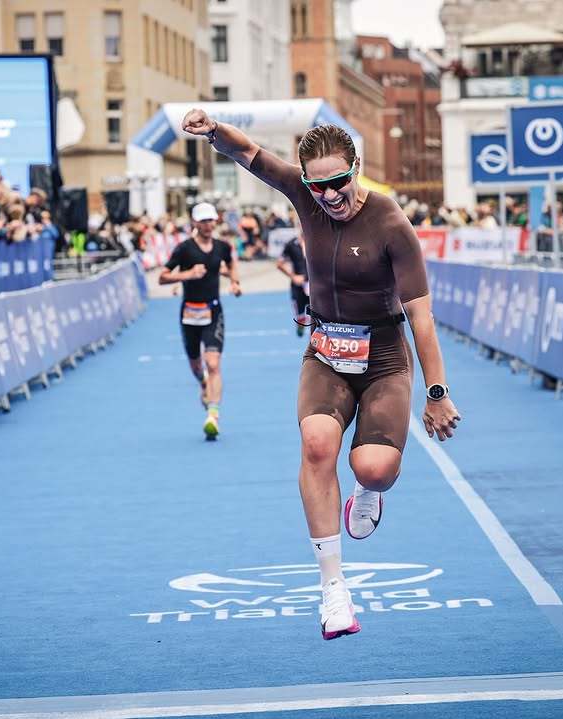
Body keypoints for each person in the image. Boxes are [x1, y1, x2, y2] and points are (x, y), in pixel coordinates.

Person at [182, 109, 461, 640]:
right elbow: (249, 154)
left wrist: (437, 391)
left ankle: (369, 491)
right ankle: (334, 589)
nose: (329, 195)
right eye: (317, 186)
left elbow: (421, 317)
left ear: (356, 168)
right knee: (316, 445)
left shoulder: (390, 223)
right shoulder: (305, 193)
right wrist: (213, 129)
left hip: (383, 358)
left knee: (374, 468)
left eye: (338, 182)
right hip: (327, 352)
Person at [158, 201, 242, 439]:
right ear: (195, 223)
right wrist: (187, 275)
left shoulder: (222, 246)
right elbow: (162, 277)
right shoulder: (184, 249)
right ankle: (203, 383)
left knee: (213, 364)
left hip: (213, 311)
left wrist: (234, 282)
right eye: (203, 221)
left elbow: (231, 265)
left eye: (211, 220)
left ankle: (213, 416)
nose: (208, 225)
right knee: (197, 366)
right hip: (189, 313)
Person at [276, 230, 310, 337]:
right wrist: (293, 276)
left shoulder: (315, 242)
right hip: (298, 286)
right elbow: (279, 264)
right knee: (300, 318)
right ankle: (300, 329)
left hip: (313, 285)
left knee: (316, 316)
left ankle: (314, 342)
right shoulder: (291, 244)